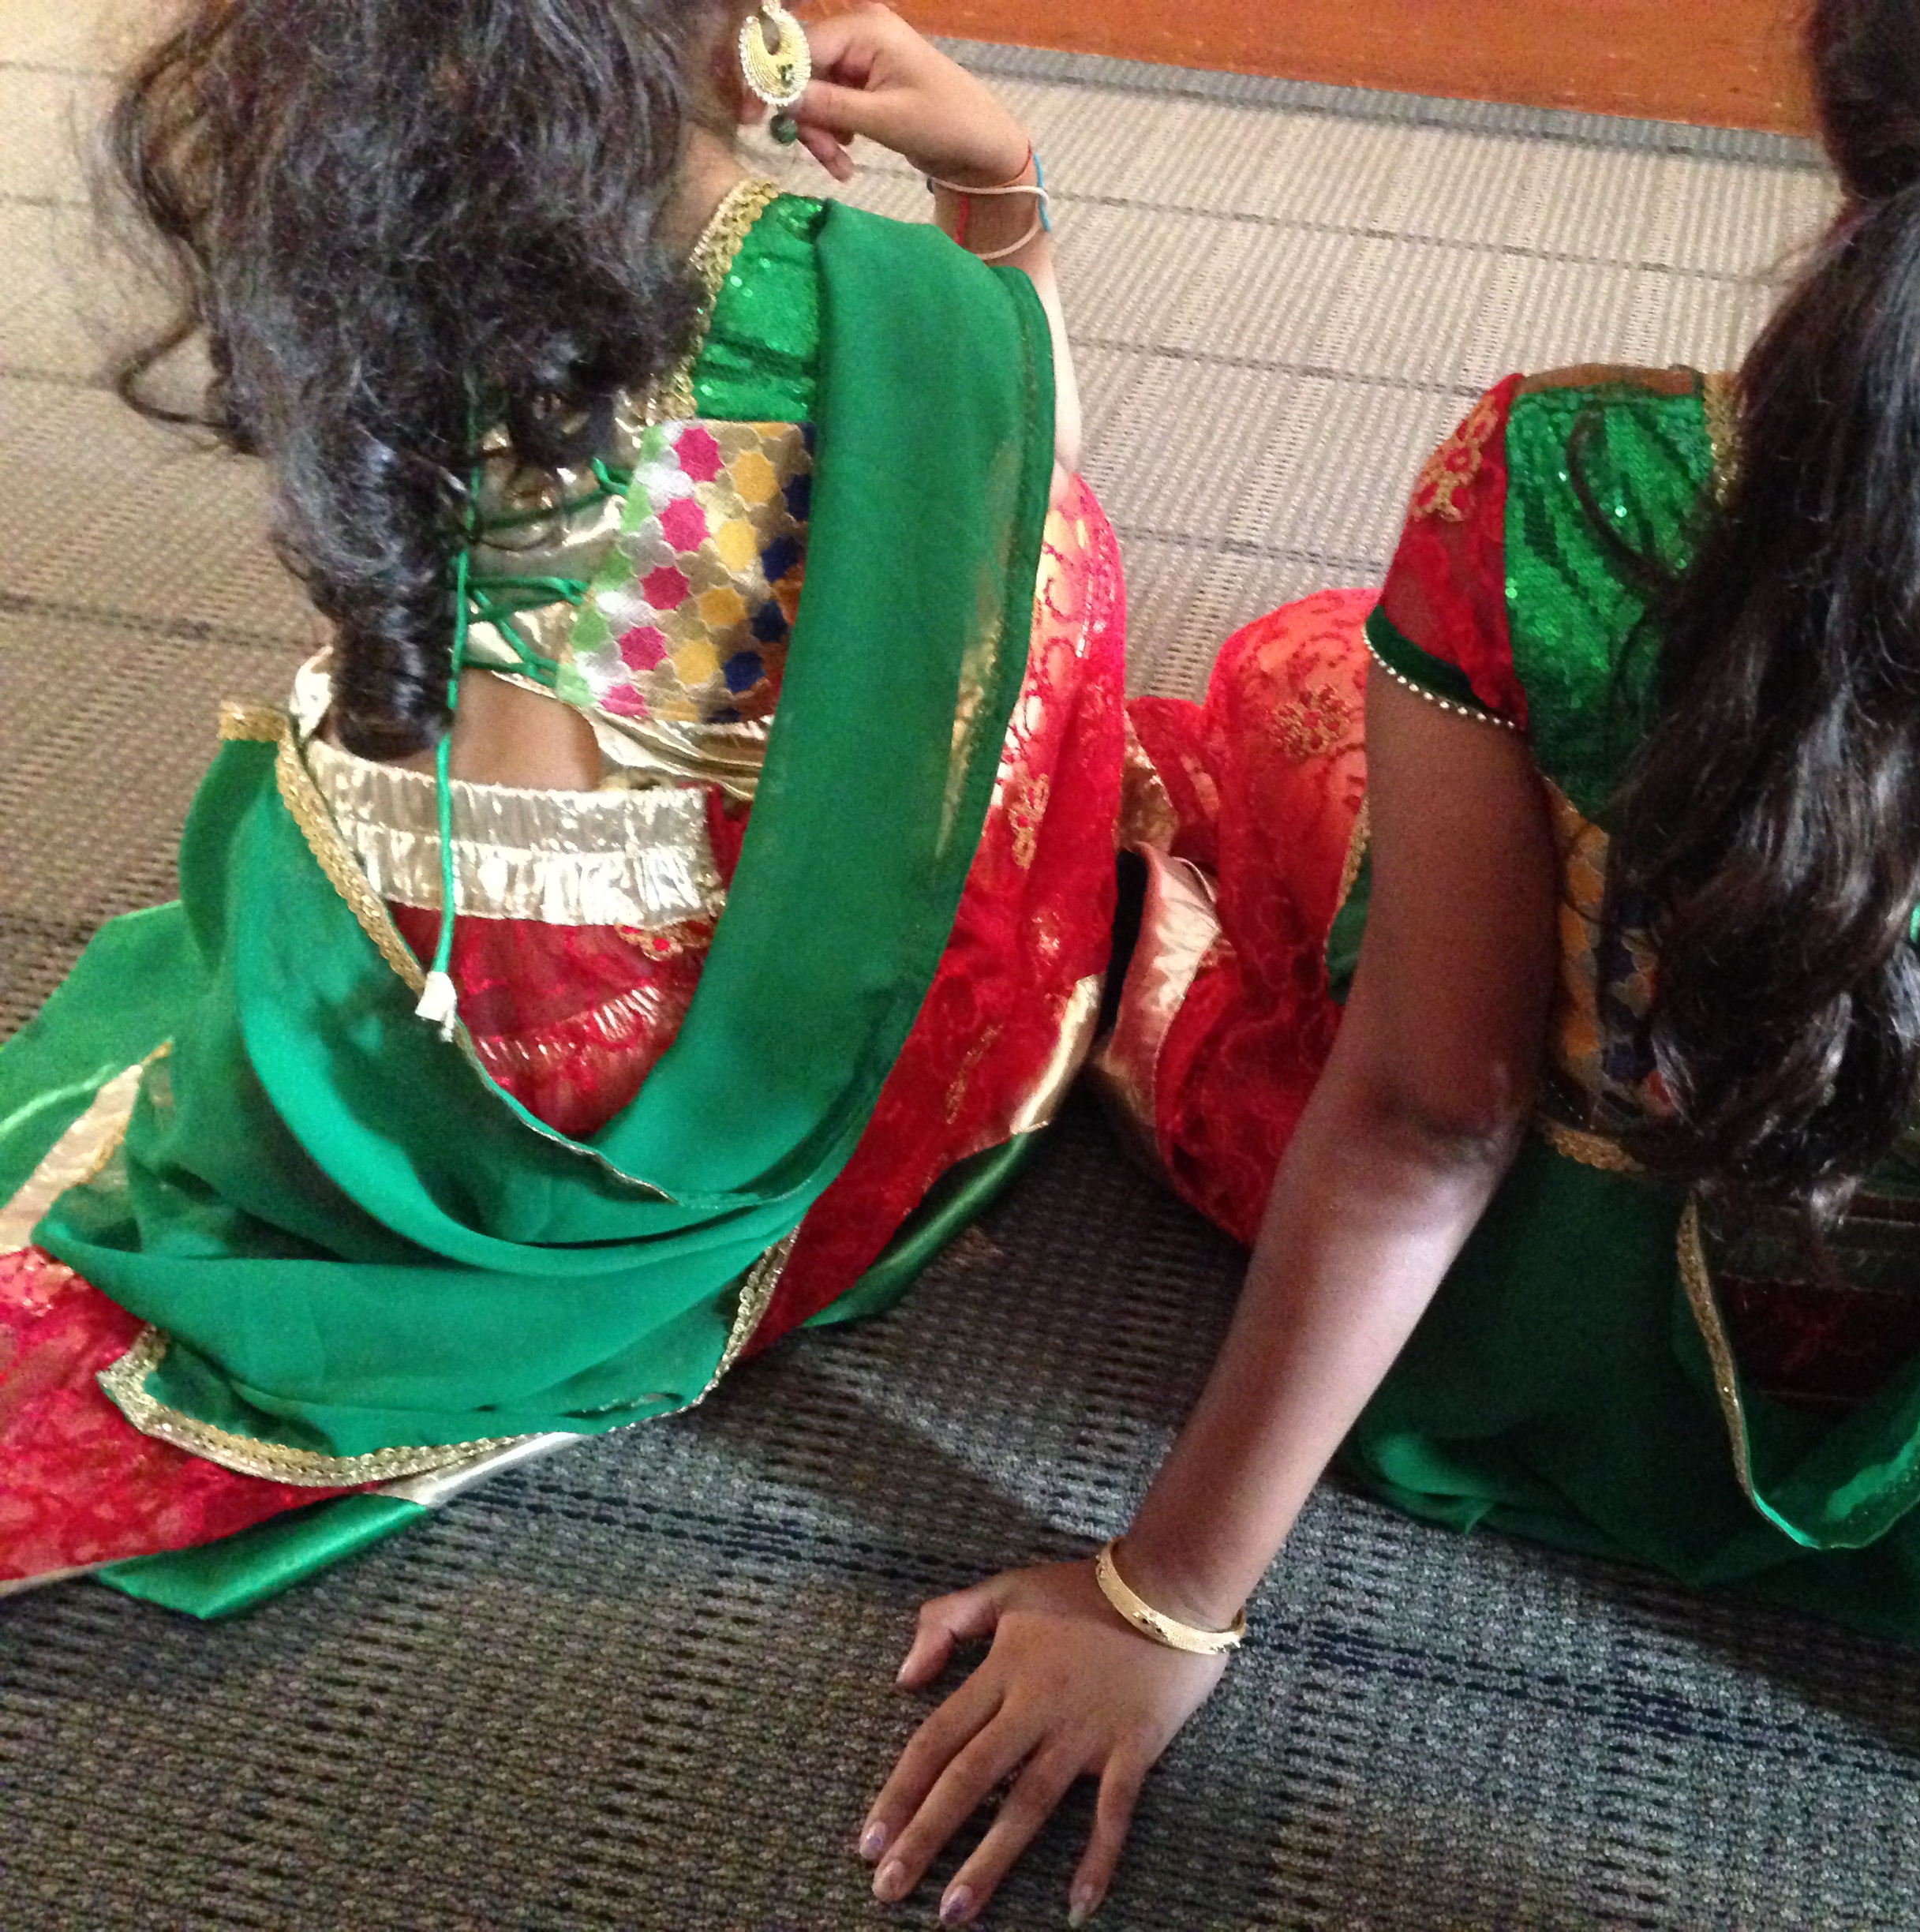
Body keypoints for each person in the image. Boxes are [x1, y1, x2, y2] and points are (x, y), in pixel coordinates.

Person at [852, 2, 1920, 1926]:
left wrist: (1162, 1599)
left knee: (1293, 699)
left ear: (1846, 100)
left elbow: (1427, 1116)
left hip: (1535, 1357)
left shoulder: (1556, 490)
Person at [0, 2, 1125, 1613]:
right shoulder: (867, 291)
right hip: (601, 1052)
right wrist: (997, 188)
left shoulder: (359, 186)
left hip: (354, 948)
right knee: (1055, 573)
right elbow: (1031, 459)